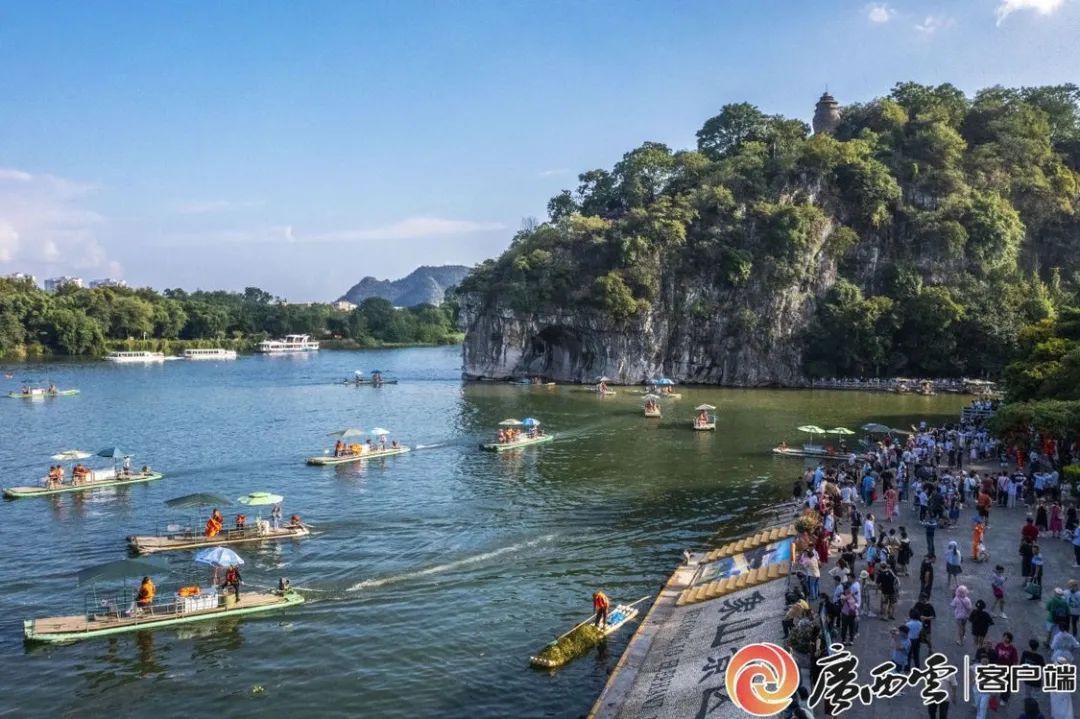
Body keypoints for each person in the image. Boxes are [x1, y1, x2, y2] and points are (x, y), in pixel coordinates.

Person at [993, 632, 1018, 706]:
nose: (1005, 639)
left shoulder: (1012, 649)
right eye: (1004, 637)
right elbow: (995, 654)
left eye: (1007, 637)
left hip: (1007, 669)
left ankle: (1004, 698)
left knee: (1007, 684)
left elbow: (1015, 660)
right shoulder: (999, 645)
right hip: (998, 667)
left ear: (1010, 639)